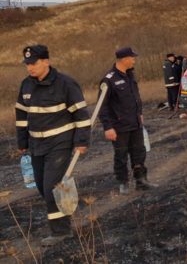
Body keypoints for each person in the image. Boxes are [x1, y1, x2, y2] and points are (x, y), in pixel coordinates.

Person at [15, 45, 91, 246]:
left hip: (60, 143)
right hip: (36, 144)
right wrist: (22, 142)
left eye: (34, 63)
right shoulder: (26, 85)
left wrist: (82, 141)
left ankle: (60, 231)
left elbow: (81, 114)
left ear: (46, 62)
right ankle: (65, 207)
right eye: (27, 64)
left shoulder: (66, 84)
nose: (30, 67)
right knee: (42, 186)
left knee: (52, 187)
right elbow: (21, 115)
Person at [100, 47, 157, 195]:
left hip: (135, 123)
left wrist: (139, 113)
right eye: (132, 58)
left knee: (139, 152)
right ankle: (123, 183)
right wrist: (107, 127)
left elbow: (135, 97)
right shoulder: (109, 80)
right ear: (124, 59)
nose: (134, 60)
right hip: (119, 126)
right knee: (121, 156)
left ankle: (141, 181)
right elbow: (102, 106)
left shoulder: (130, 75)